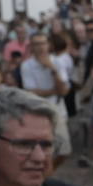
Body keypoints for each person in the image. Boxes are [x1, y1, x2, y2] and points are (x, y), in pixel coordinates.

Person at [19, 32, 73, 166]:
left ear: (48, 44)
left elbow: (64, 90)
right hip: (38, 112)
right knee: (43, 150)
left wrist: (52, 69)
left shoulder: (57, 62)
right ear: (31, 46)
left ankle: (48, 174)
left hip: (58, 111)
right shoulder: (27, 65)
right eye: (36, 44)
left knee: (64, 149)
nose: (40, 47)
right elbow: (32, 92)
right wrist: (54, 91)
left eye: (43, 43)